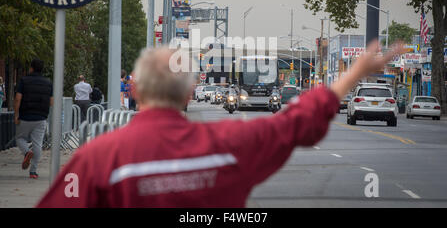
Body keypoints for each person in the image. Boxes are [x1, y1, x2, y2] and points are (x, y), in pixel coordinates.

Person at [36, 40, 404, 207]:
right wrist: (355, 72)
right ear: (190, 91)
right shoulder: (230, 144)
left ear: (133, 87)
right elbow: (300, 121)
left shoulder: (97, 159)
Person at [14, 59, 53, 179]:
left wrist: (16, 115)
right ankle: (33, 171)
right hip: (41, 117)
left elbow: (18, 98)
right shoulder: (48, 83)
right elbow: (51, 102)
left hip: (25, 116)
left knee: (20, 138)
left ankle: (26, 152)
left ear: (31, 68)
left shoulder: (24, 81)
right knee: (38, 144)